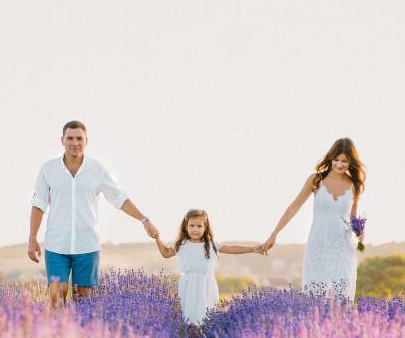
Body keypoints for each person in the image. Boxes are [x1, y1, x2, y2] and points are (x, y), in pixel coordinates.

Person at [28, 120, 158, 307]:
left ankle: (81, 327)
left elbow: (120, 199)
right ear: (62, 140)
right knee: (56, 299)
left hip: (87, 246)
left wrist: (144, 220)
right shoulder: (48, 169)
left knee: (84, 302)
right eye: (70, 138)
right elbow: (38, 205)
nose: (75, 143)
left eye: (79, 139)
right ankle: (57, 327)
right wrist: (32, 238)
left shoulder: (98, 170)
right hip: (56, 246)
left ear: (86, 141)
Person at [258, 138, 366, 300]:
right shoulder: (316, 180)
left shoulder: (355, 185)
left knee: (341, 298)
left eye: (344, 161)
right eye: (336, 159)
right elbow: (294, 207)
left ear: (351, 161)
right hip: (318, 244)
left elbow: (352, 218)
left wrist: (360, 232)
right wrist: (274, 234)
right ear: (330, 158)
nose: (339, 164)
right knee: (315, 298)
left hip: (342, 247)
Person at [155, 208, 262, 324]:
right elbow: (166, 253)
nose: (195, 229)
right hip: (188, 285)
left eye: (199, 226)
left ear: (205, 227)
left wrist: (252, 249)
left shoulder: (211, 245)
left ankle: (205, 334)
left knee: (206, 316)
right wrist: (157, 238)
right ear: (186, 226)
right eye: (192, 225)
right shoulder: (181, 244)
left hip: (206, 285)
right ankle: (189, 334)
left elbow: (232, 249)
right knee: (188, 316)